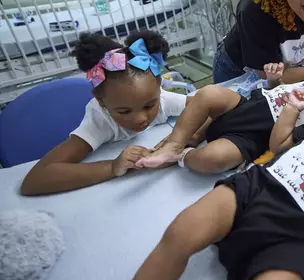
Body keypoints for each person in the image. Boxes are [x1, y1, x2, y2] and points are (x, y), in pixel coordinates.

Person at [134, 86, 304, 280]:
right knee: (179, 234)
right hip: (251, 189)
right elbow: (278, 145)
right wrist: (292, 109)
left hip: (291, 232)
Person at [20, 31, 198, 196]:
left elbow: (206, 103)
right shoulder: (101, 121)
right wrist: (112, 167)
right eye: (124, 111)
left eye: (149, 106)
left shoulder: (163, 100)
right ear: (101, 101)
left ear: (158, 89)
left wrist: (182, 138)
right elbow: (35, 180)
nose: (141, 118)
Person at [137, 53, 304, 173]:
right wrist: (274, 81)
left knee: (212, 159)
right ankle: (177, 142)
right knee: (207, 94)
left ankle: (184, 154)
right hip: (244, 104)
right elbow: (278, 92)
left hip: (253, 137)